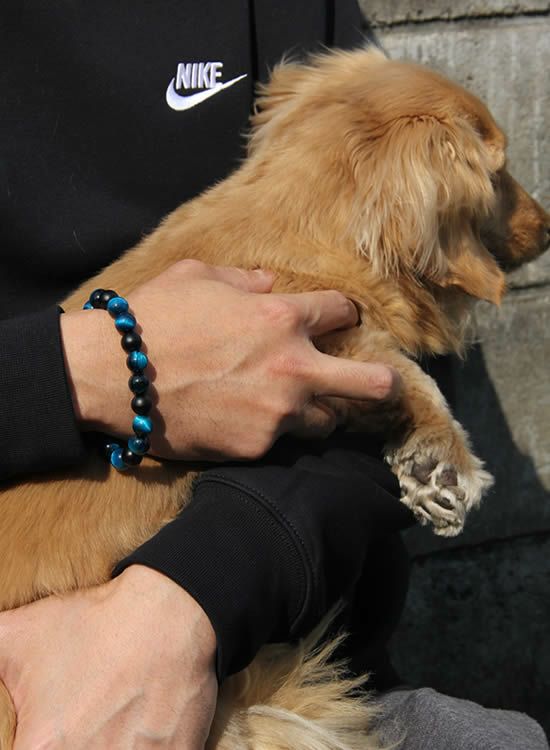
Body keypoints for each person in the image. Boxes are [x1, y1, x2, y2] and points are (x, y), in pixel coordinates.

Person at [0, 2, 547, 748]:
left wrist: (186, 602)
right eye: (497, 176)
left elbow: (409, 313)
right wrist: (92, 367)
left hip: (255, 620)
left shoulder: (307, 37)